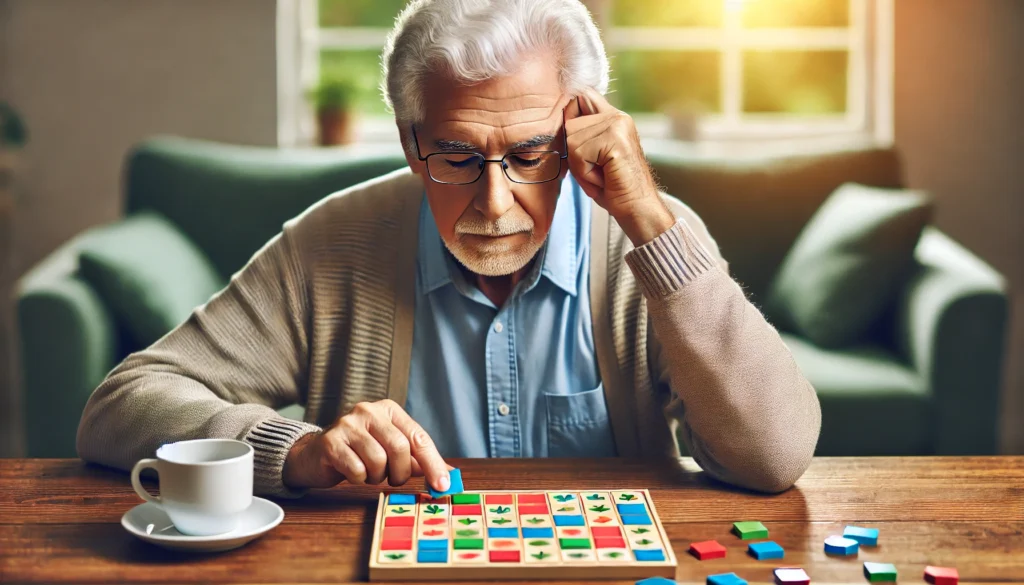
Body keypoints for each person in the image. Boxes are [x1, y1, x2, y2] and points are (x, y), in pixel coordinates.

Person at [77, 0, 821, 498]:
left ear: (578, 134)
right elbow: (118, 407)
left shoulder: (650, 240)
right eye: (457, 157)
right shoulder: (331, 243)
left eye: (532, 154)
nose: (494, 204)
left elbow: (775, 456)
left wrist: (652, 223)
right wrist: (294, 450)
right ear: (409, 143)